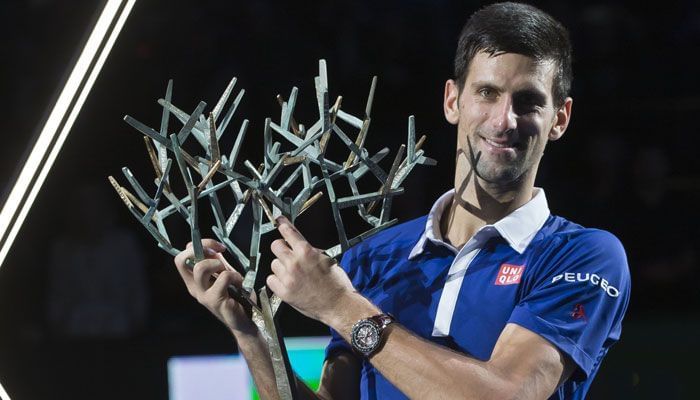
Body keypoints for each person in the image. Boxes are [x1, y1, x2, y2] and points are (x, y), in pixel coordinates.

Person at [173, 2, 630, 399]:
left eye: (528, 101)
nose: (503, 120)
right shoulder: (375, 256)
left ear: (559, 119)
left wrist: (341, 307)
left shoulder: (583, 256)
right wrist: (252, 334)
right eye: (486, 93)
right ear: (453, 101)